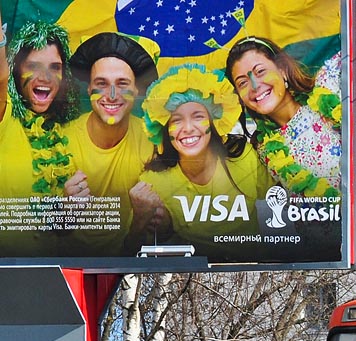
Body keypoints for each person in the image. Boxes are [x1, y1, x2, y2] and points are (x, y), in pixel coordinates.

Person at [133, 64, 273, 259]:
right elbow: (133, 252)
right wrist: (141, 220)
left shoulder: (243, 156)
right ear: (166, 131)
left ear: (213, 123)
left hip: (248, 271)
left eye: (198, 117)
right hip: (192, 278)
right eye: (177, 120)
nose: (188, 128)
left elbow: (283, 197)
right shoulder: (153, 182)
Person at [62, 32, 160, 254]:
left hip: (125, 265)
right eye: (102, 84)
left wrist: (143, 220)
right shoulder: (60, 141)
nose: (113, 94)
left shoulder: (152, 141)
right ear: (89, 89)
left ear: (136, 91)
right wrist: (63, 212)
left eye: (122, 83)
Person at [0, 15, 83, 254]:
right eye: (33, 66)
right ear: (16, 71)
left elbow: (61, 232)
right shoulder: (6, 118)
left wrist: (66, 212)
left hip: (49, 273)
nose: (45, 77)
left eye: (54, 67)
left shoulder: (65, 135)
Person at [225, 36, 340, 198]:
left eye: (260, 72)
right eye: (242, 83)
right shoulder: (262, 151)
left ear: (283, 70)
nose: (255, 85)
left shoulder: (329, 88)